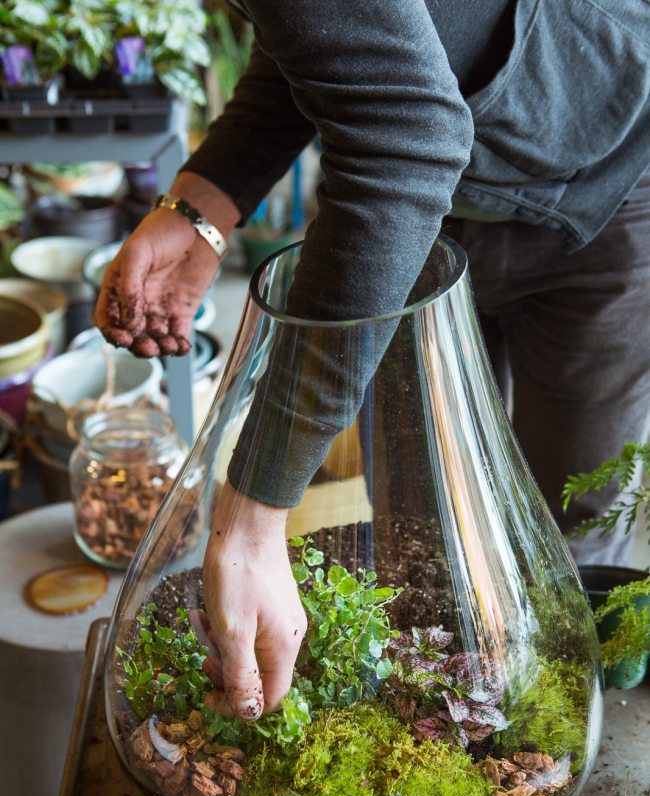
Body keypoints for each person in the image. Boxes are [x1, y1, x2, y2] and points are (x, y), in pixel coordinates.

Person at [96, 0, 650, 721]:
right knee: (421, 540)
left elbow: (402, 137)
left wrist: (255, 511)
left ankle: (554, 752)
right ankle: (438, 735)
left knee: (571, 546)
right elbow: (333, 32)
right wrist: (202, 209)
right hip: (414, 212)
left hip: (609, 184)